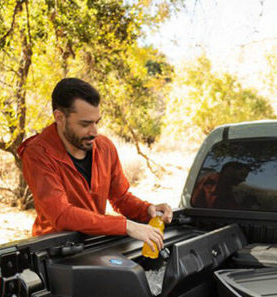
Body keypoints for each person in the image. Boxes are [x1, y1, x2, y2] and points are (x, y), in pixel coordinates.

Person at [18, 78, 170, 252]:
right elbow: (61, 214)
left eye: (96, 122)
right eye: (85, 124)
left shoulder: (105, 147)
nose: (94, 132)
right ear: (59, 117)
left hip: (94, 245)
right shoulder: (37, 153)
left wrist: (147, 209)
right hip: (54, 253)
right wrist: (126, 226)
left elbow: (120, 197)